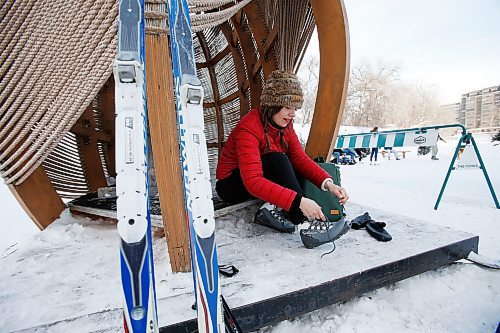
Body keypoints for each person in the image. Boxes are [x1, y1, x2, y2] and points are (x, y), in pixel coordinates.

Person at [215, 70, 349, 247]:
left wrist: (328, 183)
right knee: (279, 160)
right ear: (272, 106)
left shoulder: (285, 125)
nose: (293, 113)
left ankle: (274, 214)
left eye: (295, 108)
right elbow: (253, 181)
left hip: (258, 173)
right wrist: (299, 202)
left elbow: (300, 159)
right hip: (230, 185)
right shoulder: (248, 128)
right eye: (288, 108)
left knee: (294, 165)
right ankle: (303, 220)